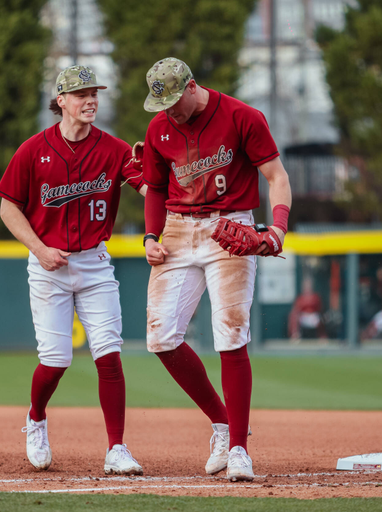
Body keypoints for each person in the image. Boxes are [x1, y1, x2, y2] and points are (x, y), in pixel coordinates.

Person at [136, 57, 292, 482]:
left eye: (172, 101)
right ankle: (222, 424)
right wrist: (151, 237)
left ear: (191, 87)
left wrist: (276, 227)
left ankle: (239, 449)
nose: (168, 111)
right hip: (177, 229)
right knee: (161, 337)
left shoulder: (242, 117)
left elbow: (276, 177)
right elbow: (155, 190)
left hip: (231, 226)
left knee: (230, 333)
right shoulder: (159, 129)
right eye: (160, 103)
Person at [0, 65, 146, 475]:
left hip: (95, 262)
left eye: (94, 93)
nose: (90, 100)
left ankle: (117, 448)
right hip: (49, 266)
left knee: (109, 355)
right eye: (81, 94)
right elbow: (8, 207)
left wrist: (160, 171)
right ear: (61, 101)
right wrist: (40, 249)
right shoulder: (32, 150)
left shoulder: (114, 149)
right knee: (56, 360)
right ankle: (37, 418)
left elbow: (148, 186)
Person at [288, 277, 327, 342]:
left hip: (313, 317)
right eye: (305, 285)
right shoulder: (300, 298)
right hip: (303, 318)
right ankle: (295, 335)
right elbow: (296, 310)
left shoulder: (316, 296)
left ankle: (322, 336)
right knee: (294, 316)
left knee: (321, 318)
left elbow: (320, 309)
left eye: (309, 285)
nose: (307, 287)